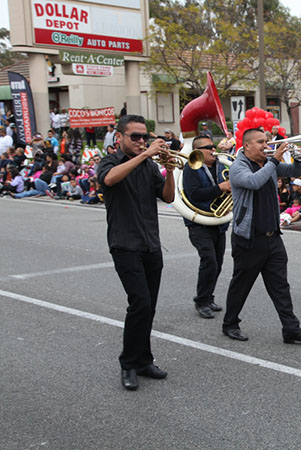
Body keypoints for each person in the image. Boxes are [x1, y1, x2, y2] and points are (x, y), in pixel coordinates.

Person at [97, 114, 175, 391]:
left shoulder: (150, 165)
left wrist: (170, 170)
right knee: (139, 303)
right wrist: (146, 156)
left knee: (149, 306)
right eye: (135, 137)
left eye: (145, 137)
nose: (142, 141)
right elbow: (109, 180)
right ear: (120, 137)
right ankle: (128, 363)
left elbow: (168, 197)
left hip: (151, 244)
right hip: (124, 244)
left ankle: (144, 360)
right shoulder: (110, 161)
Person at [221, 128, 301, 343]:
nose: (266, 145)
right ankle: (230, 323)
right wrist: (274, 160)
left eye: (267, 141)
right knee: (242, 283)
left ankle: (291, 329)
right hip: (249, 237)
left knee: (280, 285)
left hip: (273, 236)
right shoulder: (238, 166)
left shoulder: (269, 164)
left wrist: (299, 157)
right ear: (246, 146)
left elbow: (292, 170)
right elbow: (254, 182)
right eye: (260, 142)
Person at [182, 135, 231, 319]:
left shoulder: (222, 164)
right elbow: (194, 194)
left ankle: (208, 297)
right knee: (209, 260)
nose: (213, 150)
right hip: (199, 223)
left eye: (213, 146)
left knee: (217, 263)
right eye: (208, 147)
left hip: (218, 222)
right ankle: (201, 301)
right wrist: (220, 188)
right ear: (197, 152)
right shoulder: (192, 168)